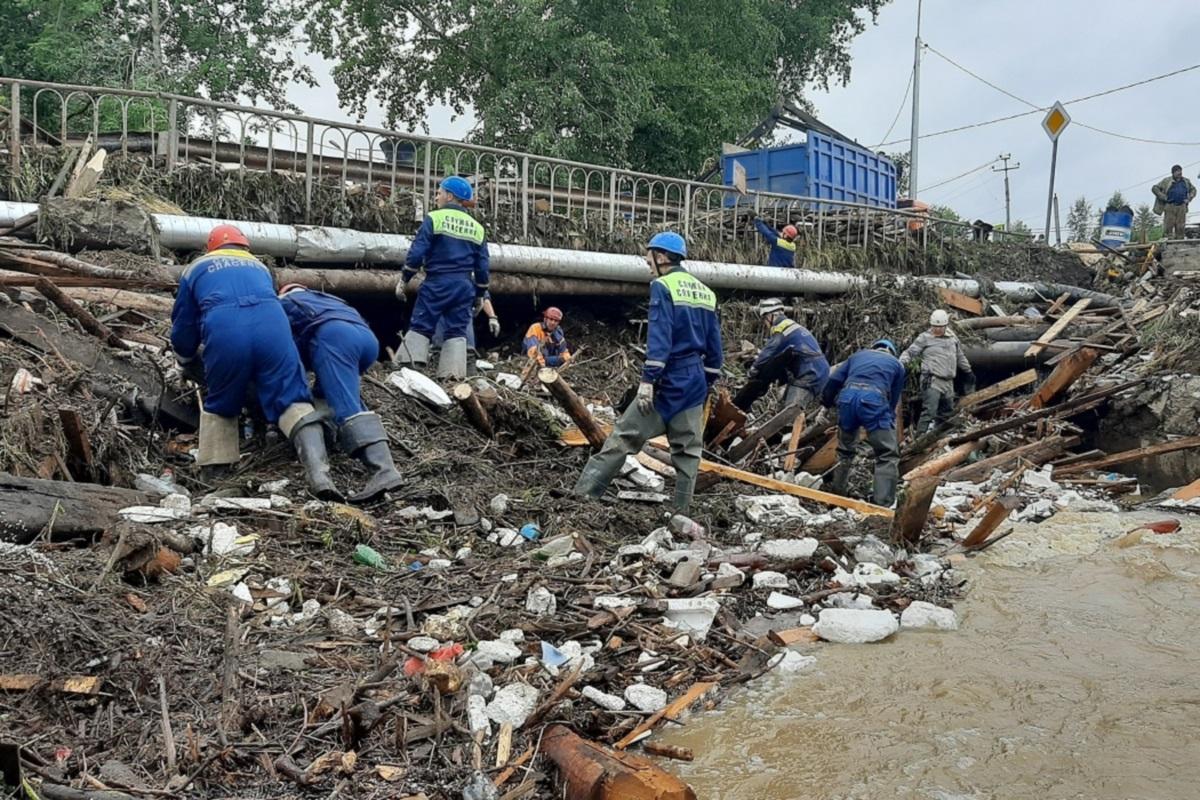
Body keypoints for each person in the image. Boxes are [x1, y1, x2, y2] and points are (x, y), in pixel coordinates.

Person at [171, 225, 340, 499]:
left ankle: (216, 479)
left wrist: (186, 357)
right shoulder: (261, 267)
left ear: (211, 247)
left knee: (220, 403)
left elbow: (184, 325)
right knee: (293, 399)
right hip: (273, 327)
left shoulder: (196, 268)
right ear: (245, 246)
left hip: (226, 329)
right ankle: (319, 473)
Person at [574, 232, 723, 511]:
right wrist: (705, 382)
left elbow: (660, 338)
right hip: (694, 381)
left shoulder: (662, 286)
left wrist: (648, 381)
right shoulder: (706, 293)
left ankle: (584, 498)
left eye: (649, 254)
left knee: (623, 438)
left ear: (662, 257)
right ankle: (681, 514)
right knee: (689, 454)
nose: (646, 260)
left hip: (667, 378)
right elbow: (715, 350)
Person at [278, 284, 404, 503]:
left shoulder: (284, 303)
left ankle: (384, 470)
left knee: (346, 407)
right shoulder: (330, 300)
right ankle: (333, 436)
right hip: (367, 341)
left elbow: (280, 347)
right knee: (333, 393)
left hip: (334, 338)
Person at [395, 176, 490, 379]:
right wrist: (480, 293)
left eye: (439, 192)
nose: (436, 196)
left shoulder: (434, 218)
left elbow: (417, 252)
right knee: (457, 331)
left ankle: (409, 370)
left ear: (449, 195)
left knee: (422, 324)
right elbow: (482, 267)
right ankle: (452, 376)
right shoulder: (477, 228)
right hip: (464, 286)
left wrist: (405, 278)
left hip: (438, 281)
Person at [821, 339, 906, 507]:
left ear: (873, 347)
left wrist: (826, 402)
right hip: (873, 401)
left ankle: (838, 497)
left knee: (845, 451)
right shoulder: (897, 365)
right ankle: (881, 504)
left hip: (847, 399)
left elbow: (834, 380)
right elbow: (894, 397)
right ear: (891, 352)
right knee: (887, 454)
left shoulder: (856, 356)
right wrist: (887, 418)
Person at [733, 298, 829, 412]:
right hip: (814, 371)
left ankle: (792, 428)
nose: (765, 323)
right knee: (783, 409)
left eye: (764, 319)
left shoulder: (782, 329)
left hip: (809, 374)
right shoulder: (793, 327)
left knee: (788, 414)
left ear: (770, 316)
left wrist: (754, 369)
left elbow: (768, 352)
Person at [900, 309, 975, 433]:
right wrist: (900, 364)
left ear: (945, 325)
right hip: (932, 379)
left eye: (940, 327)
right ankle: (920, 438)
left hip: (948, 381)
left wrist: (968, 371)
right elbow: (909, 353)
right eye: (935, 327)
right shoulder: (925, 338)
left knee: (947, 412)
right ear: (931, 325)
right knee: (929, 411)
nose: (938, 329)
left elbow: (959, 356)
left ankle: (943, 437)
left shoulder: (952, 338)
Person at [432, 289, 500, 358]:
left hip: (444, 341)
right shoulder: (468, 282)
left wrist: (492, 317)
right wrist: (492, 317)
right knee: (467, 354)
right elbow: (482, 293)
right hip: (459, 332)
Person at [1152, 165, 1196, 239]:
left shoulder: (1186, 181)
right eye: (1177, 171)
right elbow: (1155, 188)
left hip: (1182, 206)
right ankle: (1167, 243)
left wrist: (1189, 198)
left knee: (1181, 226)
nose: (1180, 173)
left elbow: (1193, 190)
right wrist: (1163, 197)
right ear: (1173, 173)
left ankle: (1179, 242)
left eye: (1180, 171)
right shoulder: (1166, 181)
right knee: (1168, 225)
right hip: (1170, 206)